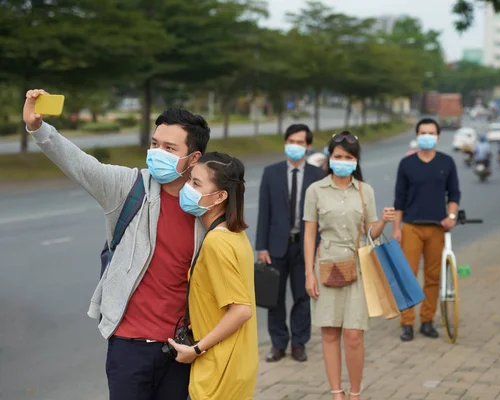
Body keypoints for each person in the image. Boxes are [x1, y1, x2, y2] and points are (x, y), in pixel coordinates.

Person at [22, 89, 211, 400]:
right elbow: (81, 165)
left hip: (180, 347)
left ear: (193, 158)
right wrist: (38, 128)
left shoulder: (204, 208)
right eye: (154, 144)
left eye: (169, 147)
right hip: (129, 345)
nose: (157, 152)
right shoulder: (128, 187)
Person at [303, 131, 395, 399]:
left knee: (354, 335)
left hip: (356, 266)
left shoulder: (365, 191)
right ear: (330, 157)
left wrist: (384, 222)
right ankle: (336, 392)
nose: (342, 160)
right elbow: (310, 233)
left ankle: (355, 392)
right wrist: (309, 273)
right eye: (337, 156)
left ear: (356, 161)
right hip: (325, 264)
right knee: (329, 332)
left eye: (348, 157)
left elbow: (370, 234)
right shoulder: (315, 190)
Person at [167, 152, 258, 400]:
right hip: (236, 360)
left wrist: (196, 349)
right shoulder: (234, 234)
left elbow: (241, 310)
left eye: (196, 184)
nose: (187, 188)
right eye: (189, 180)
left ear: (220, 196)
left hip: (220, 368)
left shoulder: (217, 241)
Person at [256, 124, 324, 363]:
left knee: (302, 297)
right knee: (274, 298)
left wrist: (318, 248)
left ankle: (299, 343)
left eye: (300, 142)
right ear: (286, 143)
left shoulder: (318, 175)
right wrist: (261, 247)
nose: (295, 146)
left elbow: (322, 215)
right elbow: (264, 211)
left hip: (304, 246)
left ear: (307, 146)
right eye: (291, 141)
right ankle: (278, 343)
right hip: (275, 246)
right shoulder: (271, 172)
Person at [392, 118, 461, 342]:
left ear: (438, 137)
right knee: (407, 276)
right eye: (423, 132)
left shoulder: (447, 163)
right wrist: (397, 228)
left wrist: (451, 216)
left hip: (436, 227)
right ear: (417, 135)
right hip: (411, 226)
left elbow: (454, 194)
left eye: (431, 133)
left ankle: (427, 320)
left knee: (433, 277)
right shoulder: (406, 164)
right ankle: (407, 322)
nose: (427, 136)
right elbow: (399, 200)